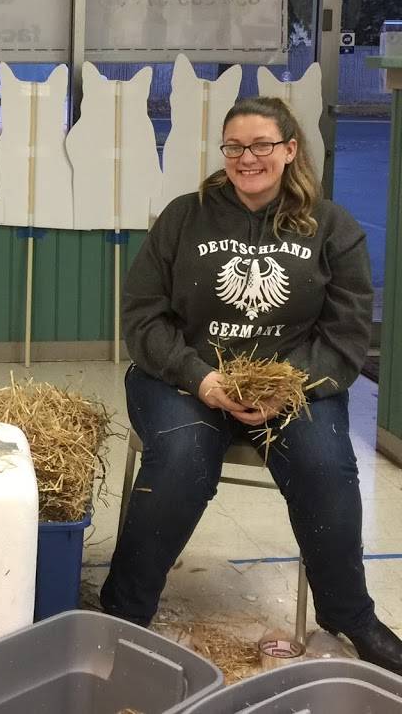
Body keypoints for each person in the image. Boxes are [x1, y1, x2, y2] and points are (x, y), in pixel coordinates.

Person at [100, 96, 402, 673]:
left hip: (289, 385)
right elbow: (142, 317)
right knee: (182, 457)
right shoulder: (184, 217)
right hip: (184, 377)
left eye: (262, 144)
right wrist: (201, 378)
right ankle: (123, 610)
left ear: (289, 150)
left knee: (326, 466)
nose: (247, 158)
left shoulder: (331, 228)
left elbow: (345, 334)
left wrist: (288, 387)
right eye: (234, 146)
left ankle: (350, 615)